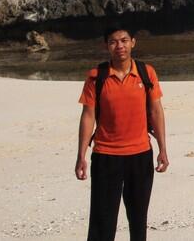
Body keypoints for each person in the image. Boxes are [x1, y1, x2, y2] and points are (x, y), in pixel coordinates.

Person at [75, 25, 169, 241]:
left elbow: (156, 111)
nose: (120, 46)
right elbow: (88, 116)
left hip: (140, 155)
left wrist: (163, 149)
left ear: (133, 42)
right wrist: (81, 156)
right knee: (102, 222)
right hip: (106, 156)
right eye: (113, 42)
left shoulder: (146, 73)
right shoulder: (96, 76)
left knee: (138, 220)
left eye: (124, 40)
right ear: (106, 46)